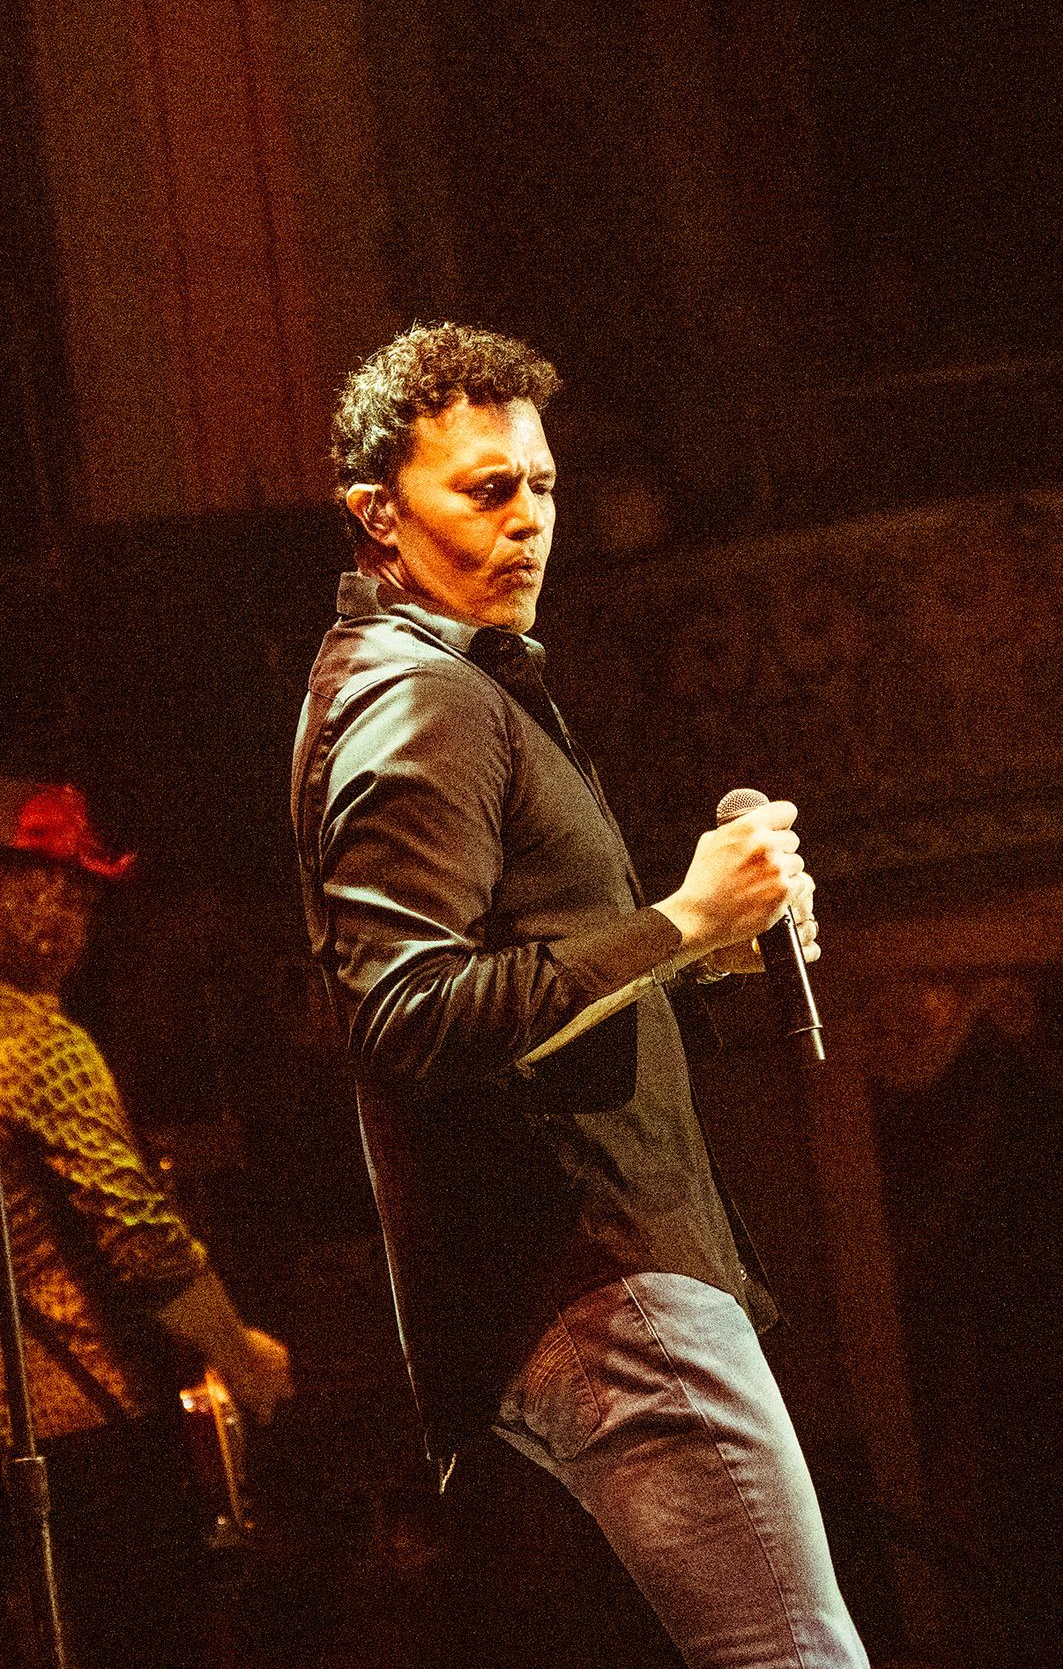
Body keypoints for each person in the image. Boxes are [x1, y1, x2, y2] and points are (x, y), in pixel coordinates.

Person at [291, 322, 866, 1668]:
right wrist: (676, 916)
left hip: (586, 1278)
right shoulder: (416, 699)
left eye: (542, 486)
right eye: (486, 490)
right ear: (379, 516)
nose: (529, 521)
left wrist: (709, 943)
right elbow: (408, 1013)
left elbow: (512, 972)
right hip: (600, 1270)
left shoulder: (451, 686)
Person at [0, 779, 294, 1669]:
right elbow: (143, 1240)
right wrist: (239, 1354)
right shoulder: (38, 1046)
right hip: (78, 1438)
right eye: (67, 890)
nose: (80, 917)